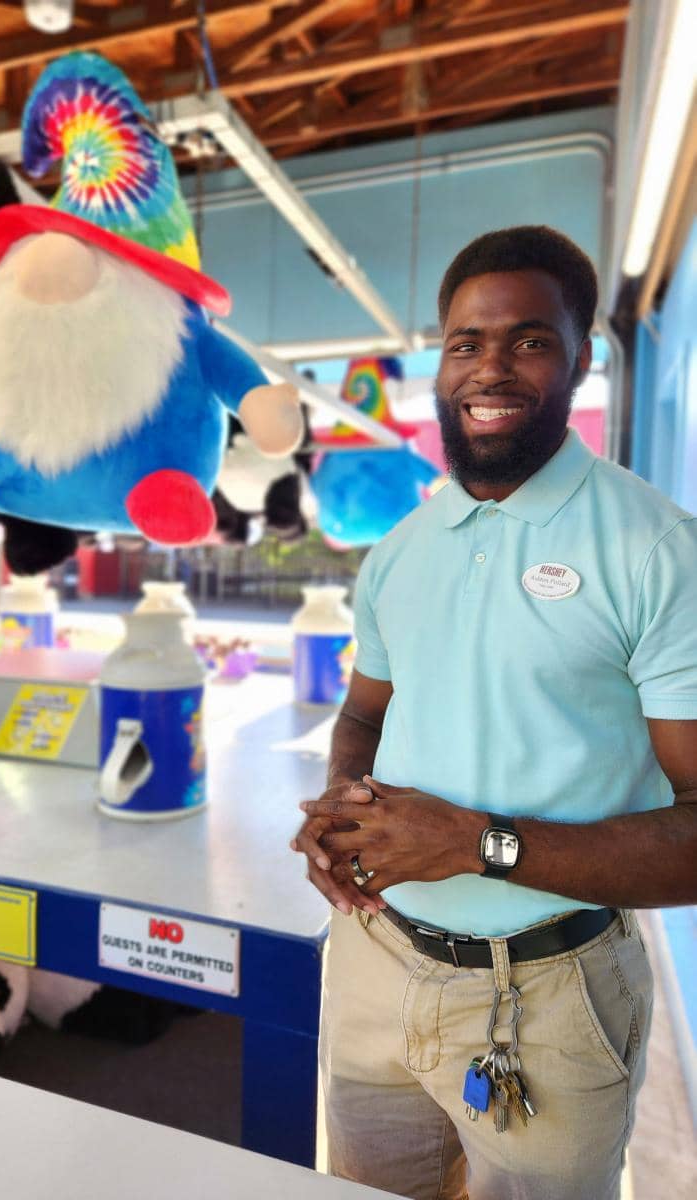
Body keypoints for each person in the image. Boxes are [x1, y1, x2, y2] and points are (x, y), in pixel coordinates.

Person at [291, 225, 697, 1200]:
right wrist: (342, 805)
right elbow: (363, 714)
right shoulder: (400, 549)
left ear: (581, 357)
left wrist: (482, 845)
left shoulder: (656, 549)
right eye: (467, 342)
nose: (491, 367)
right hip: (374, 966)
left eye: (529, 339)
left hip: (550, 996)